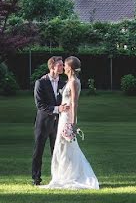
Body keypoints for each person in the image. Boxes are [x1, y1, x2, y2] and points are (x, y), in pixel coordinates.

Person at [41, 56, 100, 189]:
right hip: (63, 116)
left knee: (67, 147)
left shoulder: (73, 82)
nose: (63, 67)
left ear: (71, 68)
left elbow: (74, 103)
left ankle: (71, 176)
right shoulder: (70, 81)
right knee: (63, 147)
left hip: (67, 118)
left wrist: (73, 123)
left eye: (65, 65)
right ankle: (63, 174)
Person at [31, 56, 69, 186]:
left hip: (58, 123)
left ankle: (58, 178)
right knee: (38, 151)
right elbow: (40, 105)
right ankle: (36, 178)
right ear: (52, 66)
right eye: (60, 65)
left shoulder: (64, 84)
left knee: (57, 151)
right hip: (43, 123)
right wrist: (58, 108)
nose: (63, 67)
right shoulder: (40, 83)